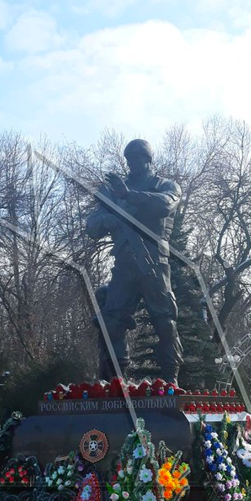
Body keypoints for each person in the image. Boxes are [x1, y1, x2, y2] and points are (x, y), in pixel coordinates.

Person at [87, 138, 182, 385]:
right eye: (129, 159)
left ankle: (171, 380)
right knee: (111, 322)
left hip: (154, 265)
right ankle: (116, 381)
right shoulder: (113, 193)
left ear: (148, 160)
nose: (132, 164)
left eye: (138, 159)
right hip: (124, 266)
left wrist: (129, 195)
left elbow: (166, 205)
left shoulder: (164, 185)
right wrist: (107, 220)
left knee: (165, 322)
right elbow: (92, 226)